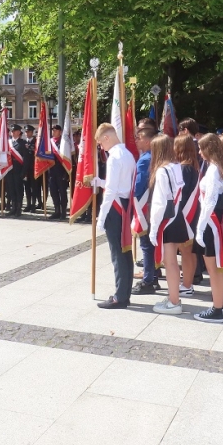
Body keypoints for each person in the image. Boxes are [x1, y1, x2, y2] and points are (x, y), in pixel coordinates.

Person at [87, 122, 137, 309]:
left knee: (118, 253)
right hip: (124, 205)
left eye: (101, 143)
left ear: (107, 138)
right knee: (124, 251)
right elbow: (119, 184)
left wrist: (101, 217)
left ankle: (120, 297)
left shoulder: (114, 157)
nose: (101, 147)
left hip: (115, 208)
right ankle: (124, 293)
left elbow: (111, 191)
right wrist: (100, 182)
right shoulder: (128, 154)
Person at [193, 133, 223, 323]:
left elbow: (209, 203)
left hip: (212, 223)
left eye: (201, 148)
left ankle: (218, 309)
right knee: (219, 268)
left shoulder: (213, 170)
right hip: (219, 222)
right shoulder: (222, 166)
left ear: (208, 149)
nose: (199, 152)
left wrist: (200, 228)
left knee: (215, 268)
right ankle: (220, 306)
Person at [149, 135, 189, 315]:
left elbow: (159, 203)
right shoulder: (176, 167)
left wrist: (154, 228)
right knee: (171, 261)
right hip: (176, 216)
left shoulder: (162, 171)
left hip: (166, 219)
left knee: (170, 262)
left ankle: (174, 302)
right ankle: (173, 297)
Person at [132, 126, 161, 295]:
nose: (136, 140)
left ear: (148, 141)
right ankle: (153, 275)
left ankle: (148, 280)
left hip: (145, 206)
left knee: (146, 245)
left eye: (140, 137)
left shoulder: (145, 159)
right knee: (151, 243)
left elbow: (138, 186)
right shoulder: (154, 156)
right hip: (152, 204)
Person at [174, 134, 201, 296]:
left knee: (186, 252)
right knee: (189, 251)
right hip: (191, 214)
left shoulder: (184, 168)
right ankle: (187, 283)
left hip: (185, 214)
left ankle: (187, 285)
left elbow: (181, 195)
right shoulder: (192, 166)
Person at [6, 124, 29, 216]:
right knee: (11, 189)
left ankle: (18, 209)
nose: (12, 132)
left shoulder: (23, 143)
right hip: (10, 170)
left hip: (18, 170)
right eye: (12, 131)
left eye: (14, 131)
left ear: (19, 132)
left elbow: (26, 159)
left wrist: (24, 172)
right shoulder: (8, 143)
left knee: (18, 190)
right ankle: (13, 208)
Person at [48, 124, 69, 220]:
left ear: (60, 132)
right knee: (53, 192)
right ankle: (57, 211)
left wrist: (66, 173)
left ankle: (63, 212)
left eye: (55, 130)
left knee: (62, 192)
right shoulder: (50, 142)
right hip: (51, 171)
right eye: (53, 130)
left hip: (61, 171)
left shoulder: (64, 142)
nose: (53, 132)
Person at [23, 124, 37, 212]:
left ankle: (33, 205)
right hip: (26, 169)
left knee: (34, 187)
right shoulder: (24, 142)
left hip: (33, 168)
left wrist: (31, 148)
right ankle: (28, 204)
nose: (27, 133)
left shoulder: (36, 142)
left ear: (32, 132)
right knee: (27, 187)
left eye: (28, 132)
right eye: (26, 132)